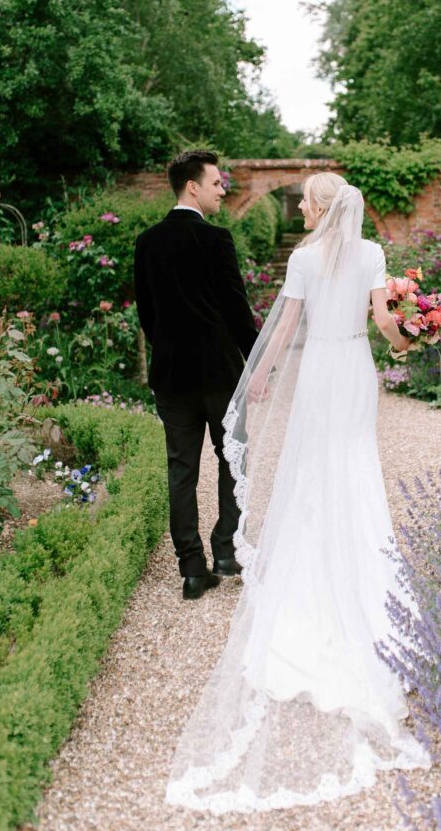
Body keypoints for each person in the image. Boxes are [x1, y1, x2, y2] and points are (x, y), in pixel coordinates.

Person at [166, 173, 430, 813]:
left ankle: (314, 574)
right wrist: (417, 334)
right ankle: (362, 583)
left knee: (317, 470)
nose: (304, 208)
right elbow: (384, 327)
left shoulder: (305, 259)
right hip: (354, 369)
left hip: (319, 374)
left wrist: (260, 377)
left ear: (322, 207)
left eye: (308, 201)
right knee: (350, 467)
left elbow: (282, 330)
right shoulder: (370, 255)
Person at [134, 150, 258, 601]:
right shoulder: (216, 239)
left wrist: (167, 352)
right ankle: (225, 550)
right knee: (234, 459)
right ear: (193, 187)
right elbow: (236, 309)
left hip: (171, 378)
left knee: (181, 471)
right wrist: (257, 362)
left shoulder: (146, 242)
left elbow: (147, 314)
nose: (223, 189)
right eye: (216, 183)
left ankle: (191, 569)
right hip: (220, 375)